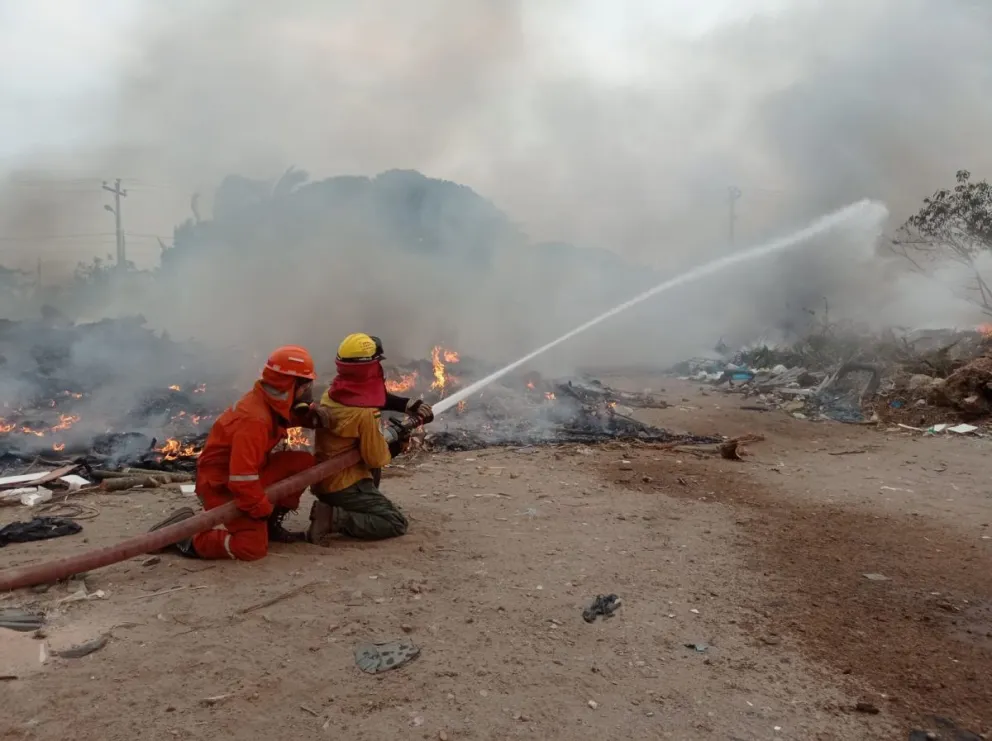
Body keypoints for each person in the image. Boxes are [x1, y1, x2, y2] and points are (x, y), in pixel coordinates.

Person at [149, 345, 324, 560]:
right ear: (290, 384)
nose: (307, 390)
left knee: (301, 462)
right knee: (251, 548)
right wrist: (261, 509)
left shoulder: (266, 400)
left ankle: (269, 527)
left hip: (242, 474)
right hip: (220, 485)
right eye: (305, 384)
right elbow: (242, 479)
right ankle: (185, 535)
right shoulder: (254, 420)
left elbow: (281, 418)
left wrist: (308, 416)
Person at [306, 333, 433, 544]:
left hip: (326, 481)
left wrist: (407, 405)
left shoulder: (334, 393)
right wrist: (398, 442)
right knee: (394, 522)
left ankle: (349, 506)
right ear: (370, 368)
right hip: (345, 486)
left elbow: (374, 398)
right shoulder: (364, 415)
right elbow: (376, 459)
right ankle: (332, 518)